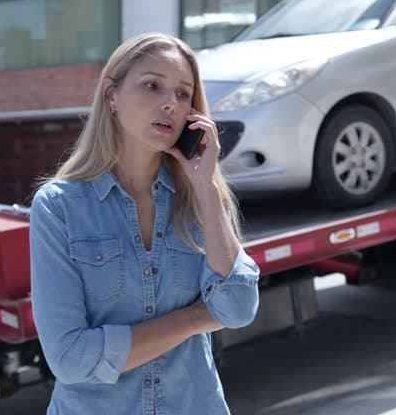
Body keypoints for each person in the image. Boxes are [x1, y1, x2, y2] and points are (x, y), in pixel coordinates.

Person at [29, 32, 261, 415]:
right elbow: (69, 358)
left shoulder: (199, 198)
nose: (170, 103)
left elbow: (236, 309)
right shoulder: (59, 208)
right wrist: (193, 318)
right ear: (111, 96)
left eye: (183, 94)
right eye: (152, 85)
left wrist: (204, 184)